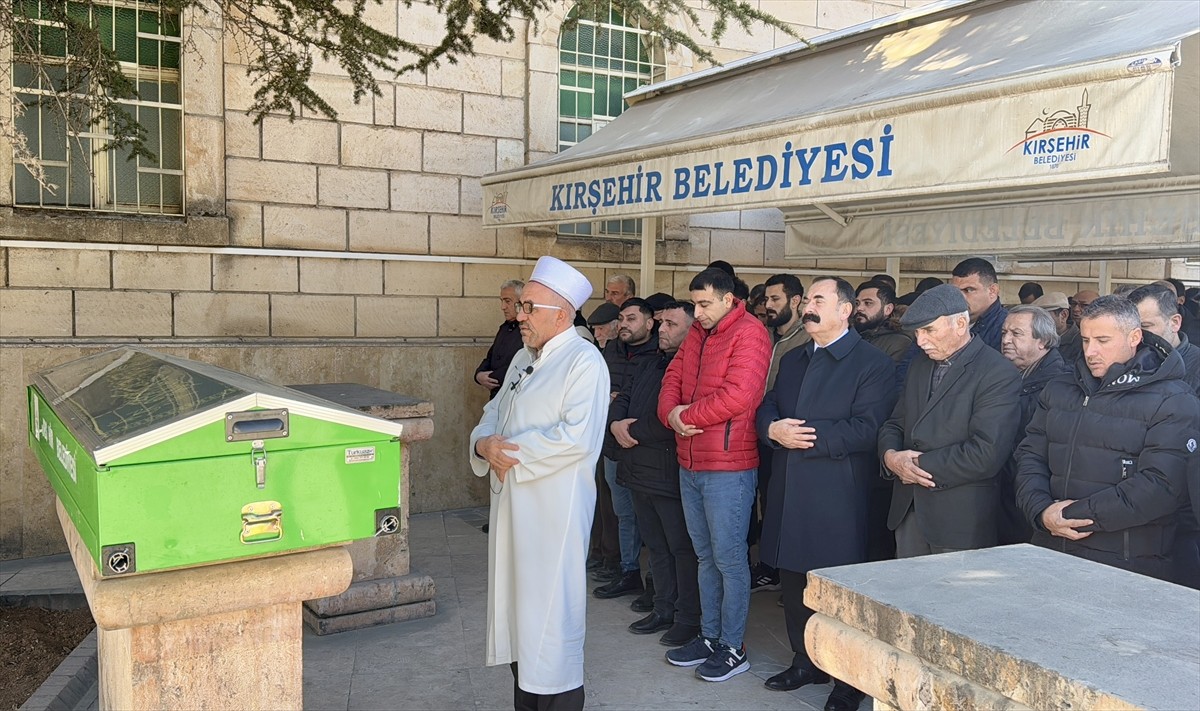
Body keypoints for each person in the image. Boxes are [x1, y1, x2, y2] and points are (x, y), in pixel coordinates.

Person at [469, 256, 610, 711]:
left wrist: (505, 452)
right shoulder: (520, 357)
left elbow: (575, 439)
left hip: (552, 517)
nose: (520, 316)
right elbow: (492, 413)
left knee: (549, 625)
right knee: (520, 623)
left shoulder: (584, 362)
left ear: (562, 315)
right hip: (512, 509)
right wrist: (483, 445)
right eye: (520, 306)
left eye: (529, 307)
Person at [756, 277, 897, 711]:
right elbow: (769, 404)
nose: (808, 308)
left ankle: (847, 682)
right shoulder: (795, 358)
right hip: (789, 484)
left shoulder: (872, 363)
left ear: (845, 310)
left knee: (838, 591)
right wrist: (772, 429)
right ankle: (805, 661)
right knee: (794, 581)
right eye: (808, 300)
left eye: (819, 299)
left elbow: (868, 428)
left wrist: (803, 438)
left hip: (837, 492)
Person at [1015, 295, 1199, 582]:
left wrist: (1069, 515)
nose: (1091, 351)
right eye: (1085, 340)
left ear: (1134, 337)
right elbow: (1030, 456)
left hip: (1126, 564)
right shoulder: (1059, 388)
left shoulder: (1174, 400)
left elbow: (1160, 486)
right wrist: (1040, 511)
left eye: (1103, 340)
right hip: (1050, 548)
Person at [657, 268, 772, 682]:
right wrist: (671, 414)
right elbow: (672, 377)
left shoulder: (751, 333)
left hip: (728, 466)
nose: (699, 312)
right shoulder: (698, 333)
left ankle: (732, 647)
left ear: (727, 299)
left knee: (729, 560)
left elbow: (739, 395)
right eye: (695, 304)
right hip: (690, 461)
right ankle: (709, 637)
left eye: (705, 304)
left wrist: (686, 416)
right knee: (706, 557)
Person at [878, 284, 1021, 556]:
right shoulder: (920, 364)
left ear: (960, 324)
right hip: (909, 511)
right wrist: (890, 457)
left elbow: (986, 453)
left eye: (929, 330)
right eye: (917, 332)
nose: (920, 341)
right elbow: (895, 423)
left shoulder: (997, 372)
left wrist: (914, 465)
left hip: (960, 519)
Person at [610, 301, 702, 646]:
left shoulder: (694, 366)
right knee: (657, 547)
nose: (662, 329)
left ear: (692, 329)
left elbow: (677, 416)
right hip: (638, 469)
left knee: (681, 549)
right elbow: (623, 397)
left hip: (668, 472)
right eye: (661, 323)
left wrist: (631, 431)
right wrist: (615, 423)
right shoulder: (649, 362)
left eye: (671, 324)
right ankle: (663, 607)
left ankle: (687, 616)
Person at [594, 298, 660, 600]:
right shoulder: (612, 351)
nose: (624, 324)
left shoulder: (658, 356)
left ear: (649, 323)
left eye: (631, 319)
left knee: (649, 518)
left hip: (642, 447)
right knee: (623, 513)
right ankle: (628, 571)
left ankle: (655, 583)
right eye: (621, 318)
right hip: (612, 443)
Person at [752, 273, 810, 593]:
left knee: (783, 504)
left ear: (796, 301)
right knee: (766, 500)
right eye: (766, 299)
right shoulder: (764, 335)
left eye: (775, 299)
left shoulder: (807, 338)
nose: (769, 305)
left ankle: (782, 572)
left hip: (790, 434)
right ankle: (769, 566)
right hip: (761, 430)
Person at [996, 305, 1068, 544]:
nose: (1006, 340)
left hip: (1029, 495)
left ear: (1043, 342)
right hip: (1006, 490)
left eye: (1016, 334)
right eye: (1004, 332)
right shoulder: (1006, 373)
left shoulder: (1058, 384)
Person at [1129, 283, 1200, 394]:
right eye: (1130, 329)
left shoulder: (1196, 367)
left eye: (1145, 326)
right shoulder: (1125, 360)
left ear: (1175, 323)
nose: (1136, 336)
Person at [475, 280, 525, 401]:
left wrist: (492, 377)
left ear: (521, 302)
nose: (503, 307)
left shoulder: (527, 330)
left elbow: (521, 365)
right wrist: (479, 375)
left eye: (507, 301)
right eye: (502, 301)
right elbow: (490, 357)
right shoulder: (504, 328)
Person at [854, 280, 911, 364]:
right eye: (857, 303)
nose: (859, 308)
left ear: (888, 309)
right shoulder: (849, 333)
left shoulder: (899, 343)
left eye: (868, 303)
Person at [1033, 291, 1080, 363]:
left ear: (1063, 315)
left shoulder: (1080, 342)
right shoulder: (1038, 338)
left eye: (1044, 318)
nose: (1039, 323)